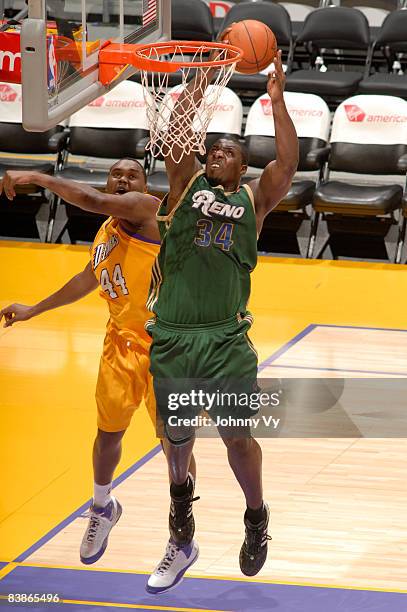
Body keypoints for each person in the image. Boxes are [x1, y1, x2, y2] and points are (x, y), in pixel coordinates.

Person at [145, 49, 299, 594]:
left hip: (226, 339)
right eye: (213, 149)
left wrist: (277, 104)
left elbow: (288, 162)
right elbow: (177, 132)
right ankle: (180, 505)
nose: (216, 153)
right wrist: (199, 82)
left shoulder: (256, 199)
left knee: (237, 437)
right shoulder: (187, 186)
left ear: (242, 165)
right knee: (177, 435)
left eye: (228, 150)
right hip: (174, 336)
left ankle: (256, 518)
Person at [0, 159, 193, 564]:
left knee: (173, 444)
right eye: (116, 175)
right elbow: (90, 277)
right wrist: (36, 309)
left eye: (132, 175)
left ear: (144, 184)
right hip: (120, 344)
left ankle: (182, 528)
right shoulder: (108, 228)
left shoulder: (146, 209)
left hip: (165, 348)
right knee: (108, 435)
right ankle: (102, 506)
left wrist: (34, 176)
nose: (123, 180)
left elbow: (87, 198)